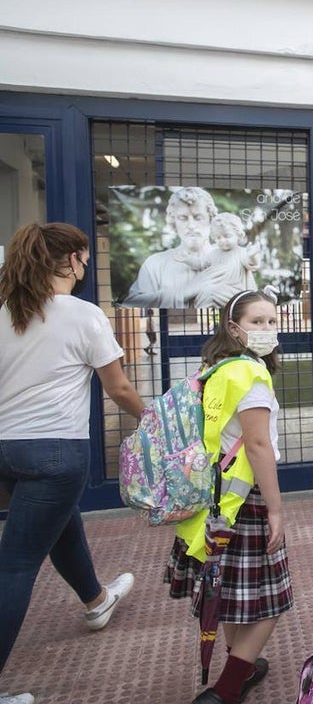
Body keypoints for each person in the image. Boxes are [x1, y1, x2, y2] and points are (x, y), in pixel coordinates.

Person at [0, 223, 145, 704]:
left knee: (61, 525)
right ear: (71, 262)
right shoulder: (83, 315)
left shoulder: (6, 312)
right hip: (56, 450)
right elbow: (119, 388)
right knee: (16, 564)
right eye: (83, 260)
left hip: (7, 448)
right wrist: (156, 420)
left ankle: (97, 601)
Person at [164, 289, 291, 704]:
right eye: (257, 322)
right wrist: (276, 509)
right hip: (245, 500)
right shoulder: (251, 374)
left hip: (213, 499)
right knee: (270, 600)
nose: (267, 329)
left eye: (272, 321)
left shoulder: (215, 369)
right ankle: (226, 688)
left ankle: (245, 666)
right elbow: (257, 446)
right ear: (233, 327)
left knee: (234, 593)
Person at [123, 186, 218, 308]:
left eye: (198, 217)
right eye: (183, 218)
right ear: (174, 222)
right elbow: (131, 304)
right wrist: (182, 293)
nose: (191, 225)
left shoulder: (228, 260)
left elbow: (246, 302)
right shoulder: (155, 264)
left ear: (211, 219)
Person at [193, 213, 259, 308]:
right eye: (218, 237)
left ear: (239, 235)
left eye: (227, 236)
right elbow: (201, 264)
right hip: (219, 288)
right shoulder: (214, 253)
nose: (222, 240)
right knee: (203, 292)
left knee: (208, 292)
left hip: (237, 292)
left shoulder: (241, 252)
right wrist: (188, 261)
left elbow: (252, 264)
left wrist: (252, 255)